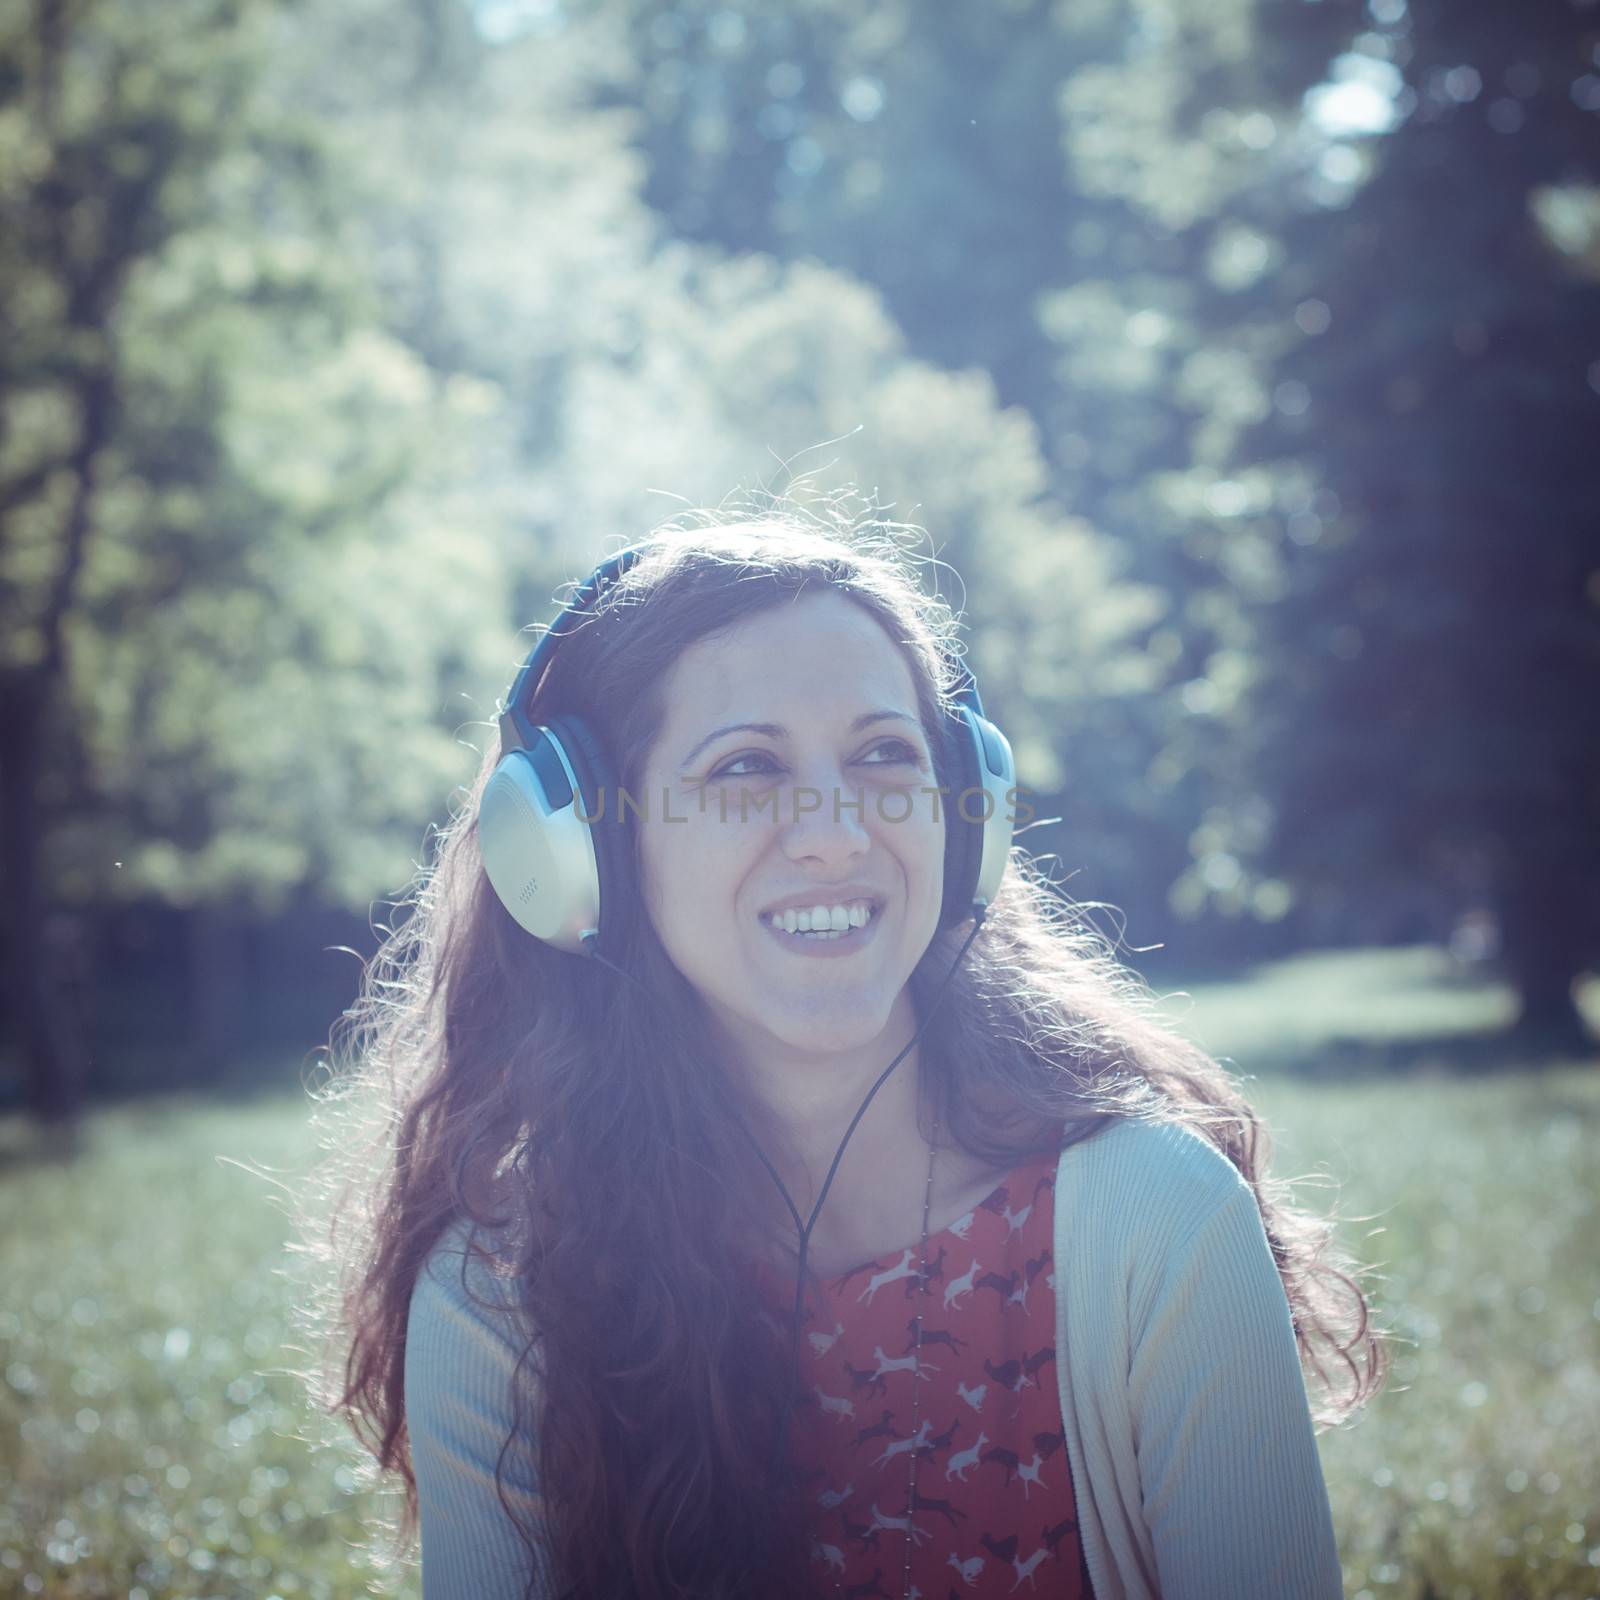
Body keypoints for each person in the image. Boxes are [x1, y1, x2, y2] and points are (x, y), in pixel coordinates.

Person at [292, 495, 1386, 1600]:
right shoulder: (501, 1305)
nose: (833, 833)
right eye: (744, 769)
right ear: (588, 854)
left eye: (881, 755)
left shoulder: (1157, 1217)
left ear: (966, 818)